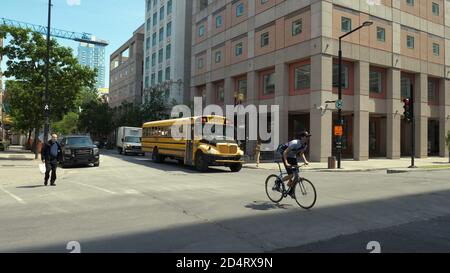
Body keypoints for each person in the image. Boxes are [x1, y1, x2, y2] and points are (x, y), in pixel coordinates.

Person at [278, 131, 311, 197]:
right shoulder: (295, 143)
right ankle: (278, 182)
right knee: (291, 175)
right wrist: (286, 163)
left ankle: (291, 191)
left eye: (308, 137)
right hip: (286, 156)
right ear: (302, 137)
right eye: (306, 137)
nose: (308, 138)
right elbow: (285, 152)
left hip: (293, 157)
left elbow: (301, 153)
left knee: (296, 176)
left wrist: (305, 161)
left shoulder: (305, 145)